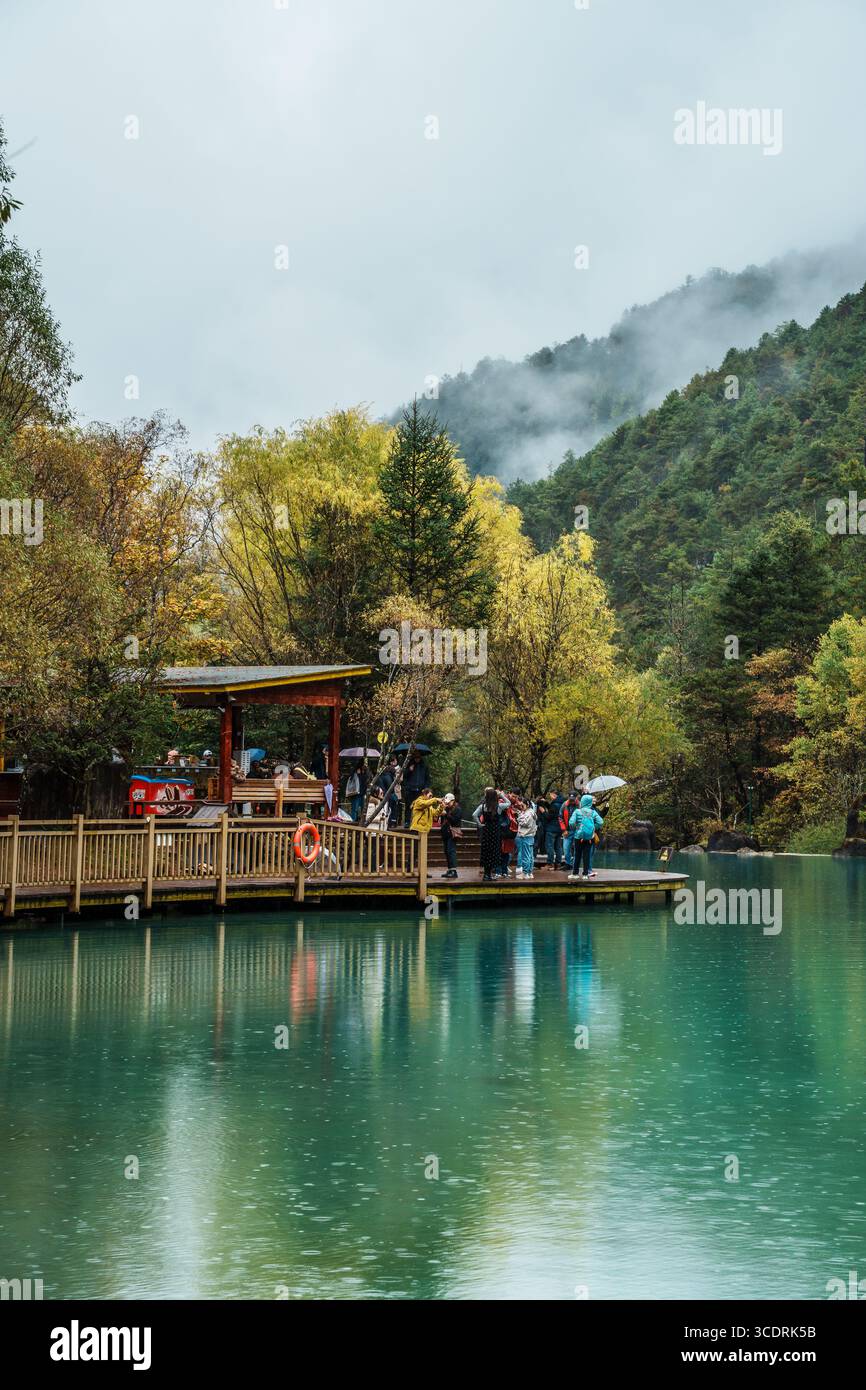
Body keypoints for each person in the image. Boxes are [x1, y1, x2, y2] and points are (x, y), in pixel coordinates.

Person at [568, 794, 604, 881]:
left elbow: (571, 823)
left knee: (577, 855)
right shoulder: (593, 812)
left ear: (582, 802)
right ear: (590, 803)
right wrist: (593, 827)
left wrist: (576, 827)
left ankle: (575, 874)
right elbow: (601, 822)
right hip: (589, 838)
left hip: (578, 837)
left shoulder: (577, 811)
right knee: (586, 856)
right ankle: (585, 875)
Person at [475, 786, 503, 882]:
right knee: (493, 852)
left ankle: (486, 875)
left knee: (486, 852)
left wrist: (480, 824)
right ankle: (489, 875)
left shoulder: (483, 806)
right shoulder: (498, 806)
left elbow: (474, 815)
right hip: (495, 832)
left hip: (486, 831)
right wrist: (501, 795)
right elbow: (509, 803)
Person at [439, 791, 463, 879]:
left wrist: (446, 815)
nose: (447, 803)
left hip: (453, 833)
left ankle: (454, 871)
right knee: (446, 851)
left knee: (451, 851)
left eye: (449, 802)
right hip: (445, 832)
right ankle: (449, 869)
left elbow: (455, 821)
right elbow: (441, 821)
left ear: (453, 801)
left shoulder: (458, 809)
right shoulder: (446, 808)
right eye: (447, 802)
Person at [402, 750, 429, 826]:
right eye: (415, 757)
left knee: (419, 807)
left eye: (418, 757)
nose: (417, 759)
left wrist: (426, 788)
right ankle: (407, 822)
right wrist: (409, 770)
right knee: (408, 806)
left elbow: (427, 778)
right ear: (413, 757)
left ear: (420, 757)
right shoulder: (409, 765)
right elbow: (403, 776)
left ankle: (417, 822)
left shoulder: (424, 766)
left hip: (420, 790)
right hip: (410, 789)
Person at [515, 797, 537, 878]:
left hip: (526, 836)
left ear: (527, 805)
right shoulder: (531, 812)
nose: (521, 807)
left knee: (525, 856)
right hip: (530, 836)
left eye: (522, 806)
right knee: (530, 856)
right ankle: (530, 872)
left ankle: (525, 873)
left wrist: (519, 816)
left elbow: (525, 823)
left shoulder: (528, 813)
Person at [544, 788, 565, 869]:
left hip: (551, 828)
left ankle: (550, 863)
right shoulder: (562, 803)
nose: (550, 796)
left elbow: (549, 816)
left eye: (550, 795)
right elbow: (556, 812)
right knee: (558, 847)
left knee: (550, 846)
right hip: (560, 828)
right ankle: (558, 863)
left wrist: (543, 811)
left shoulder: (554, 804)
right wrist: (547, 804)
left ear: (554, 794)